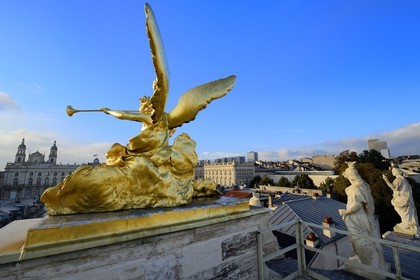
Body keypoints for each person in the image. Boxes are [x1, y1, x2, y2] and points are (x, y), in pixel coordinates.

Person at [339, 162, 385, 269]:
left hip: (357, 218)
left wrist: (346, 212)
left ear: (350, 177)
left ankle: (370, 264)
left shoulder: (355, 189)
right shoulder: (361, 185)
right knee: (357, 240)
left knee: (361, 241)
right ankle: (361, 258)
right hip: (358, 217)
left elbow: (357, 205)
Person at [383, 164, 419, 237]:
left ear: (396, 172)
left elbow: (394, 187)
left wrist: (386, 180)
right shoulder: (403, 179)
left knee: (403, 212)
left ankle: (407, 224)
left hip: (402, 200)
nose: (392, 172)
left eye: (393, 171)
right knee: (407, 213)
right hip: (406, 199)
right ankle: (407, 223)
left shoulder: (398, 179)